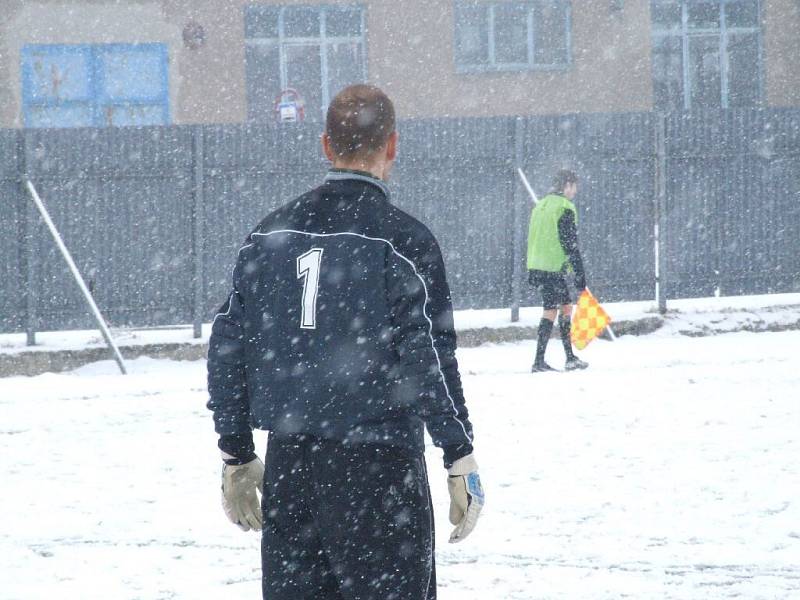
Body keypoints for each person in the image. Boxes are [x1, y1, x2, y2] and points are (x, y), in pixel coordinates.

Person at [207, 84, 483, 600]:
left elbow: (227, 346)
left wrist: (237, 453)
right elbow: (430, 358)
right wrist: (458, 453)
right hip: (380, 470)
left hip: (293, 466)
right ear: (393, 146)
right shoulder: (402, 241)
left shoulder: (270, 234)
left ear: (326, 146)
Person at [526, 169, 589, 373]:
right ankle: (543, 361)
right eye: (574, 186)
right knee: (556, 309)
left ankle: (562, 357)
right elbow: (569, 242)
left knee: (559, 306)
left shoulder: (541, 205)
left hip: (537, 265)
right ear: (567, 185)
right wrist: (579, 272)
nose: (575, 191)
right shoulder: (564, 207)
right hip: (553, 267)